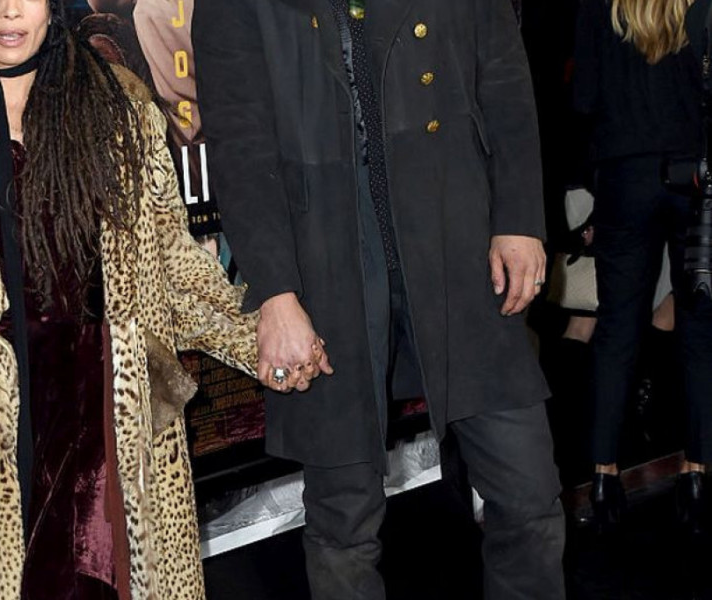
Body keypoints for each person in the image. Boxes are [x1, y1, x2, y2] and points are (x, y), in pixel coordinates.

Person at [0, 0, 278, 597]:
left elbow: (172, 261)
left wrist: (263, 335)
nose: (10, 11)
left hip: (109, 411)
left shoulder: (119, 107)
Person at [193, 1, 566, 599]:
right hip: (326, 267)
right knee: (343, 522)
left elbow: (503, 78)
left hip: (458, 245)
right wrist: (276, 296)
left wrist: (519, 219)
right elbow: (241, 147)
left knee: (529, 494)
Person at [574, 0, 712, 534]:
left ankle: (603, 477)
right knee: (699, 326)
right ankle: (696, 474)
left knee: (616, 327)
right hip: (693, 175)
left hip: (623, 173)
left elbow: (584, 96)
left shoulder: (597, 5)